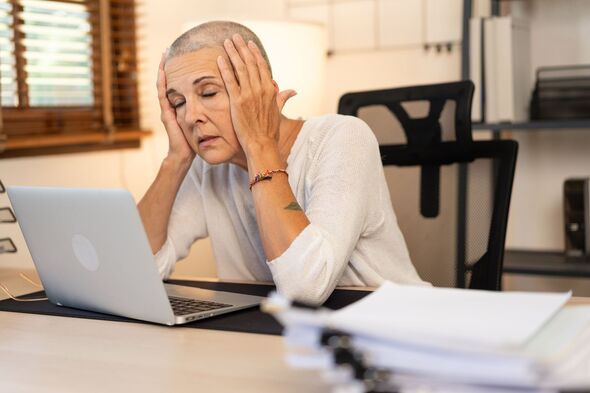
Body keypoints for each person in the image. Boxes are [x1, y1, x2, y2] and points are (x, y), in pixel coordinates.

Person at [138, 21, 427, 305]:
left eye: (209, 93)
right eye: (178, 103)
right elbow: (138, 271)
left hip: (392, 326)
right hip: (278, 332)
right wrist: (175, 160)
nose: (190, 117)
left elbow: (306, 287)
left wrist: (260, 144)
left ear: (261, 93)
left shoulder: (342, 137)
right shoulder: (207, 167)